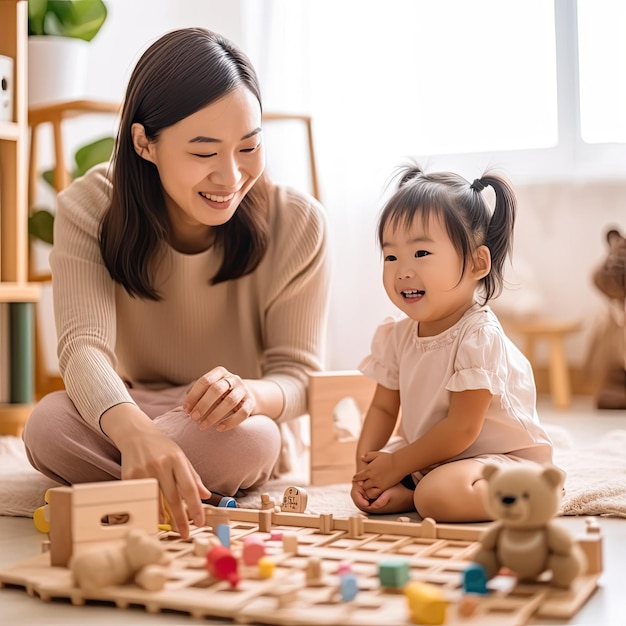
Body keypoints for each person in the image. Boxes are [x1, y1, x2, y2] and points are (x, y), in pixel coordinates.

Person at [23, 27, 330, 538]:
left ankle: (131, 487)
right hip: (129, 404)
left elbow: (297, 379)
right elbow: (82, 349)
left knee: (255, 441)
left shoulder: (297, 222)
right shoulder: (89, 205)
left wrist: (246, 394)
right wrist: (139, 433)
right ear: (145, 143)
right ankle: (167, 477)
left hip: (232, 420)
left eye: (249, 147)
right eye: (204, 152)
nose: (231, 176)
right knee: (48, 425)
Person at [351, 165, 554, 522]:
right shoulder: (397, 335)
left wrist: (398, 464)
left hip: (499, 458)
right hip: (436, 455)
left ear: (477, 262)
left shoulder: (478, 336)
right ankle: (416, 487)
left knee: (438, 496)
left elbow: (463, 428)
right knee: (394, 490)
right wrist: (367, 471)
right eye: (391, 256)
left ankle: (531, 491)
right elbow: (384, 409)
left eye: (422, 254)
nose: (403, 271)